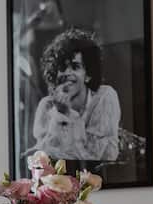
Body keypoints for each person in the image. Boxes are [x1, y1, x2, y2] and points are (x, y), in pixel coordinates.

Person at [30, 28, 121, 161]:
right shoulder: (46, 106)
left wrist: (69, 115)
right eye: (62, 67)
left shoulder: (105, 97)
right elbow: (44, 157)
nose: (67, 73)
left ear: (88, 75)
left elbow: (94, 156)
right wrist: (59, 115)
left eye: (75, 67)